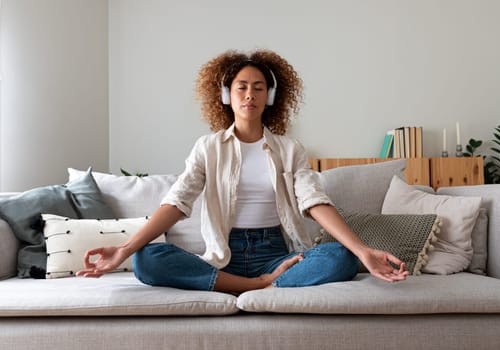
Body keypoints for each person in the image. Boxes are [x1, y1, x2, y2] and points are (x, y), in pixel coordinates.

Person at [77, 49, 408, 292]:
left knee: (342, 257)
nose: (250, 94)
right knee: (147, 259)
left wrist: (363, 251)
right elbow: (176, 203)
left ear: (270, 96)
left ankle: (253, 282)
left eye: (259, 87)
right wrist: (124, 249)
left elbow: (314, 201)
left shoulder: (290, 149)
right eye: (242, 86)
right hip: (223, 257)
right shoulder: (207, 147)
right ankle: (256, 286)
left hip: (276, 255)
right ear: (226, 95)